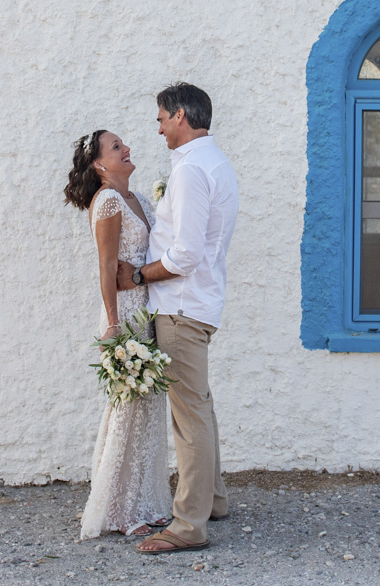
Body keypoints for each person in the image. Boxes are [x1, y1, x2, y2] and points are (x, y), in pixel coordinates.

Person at [117, 83, 239, 555]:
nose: (160, 129)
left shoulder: (190, 171)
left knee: (189, 417)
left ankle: (189, 525)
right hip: (198, 303)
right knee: (199, 406)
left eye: (162, 119)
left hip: (181, 306)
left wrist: (138, 276)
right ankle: (213, 501)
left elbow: (185, 254)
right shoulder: (214, 163)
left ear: (181, 116)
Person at [66, 129, 172, 540]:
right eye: (116, 147)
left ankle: (145, 502)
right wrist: (112, 322)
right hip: (125, 315)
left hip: (146, 310)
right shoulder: (108, 200)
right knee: (126, 409)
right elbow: (107, 265)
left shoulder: (139, 199)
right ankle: (117, 510)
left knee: (147, 411)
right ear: (99, 164)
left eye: (123, 144)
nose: (126, 148)